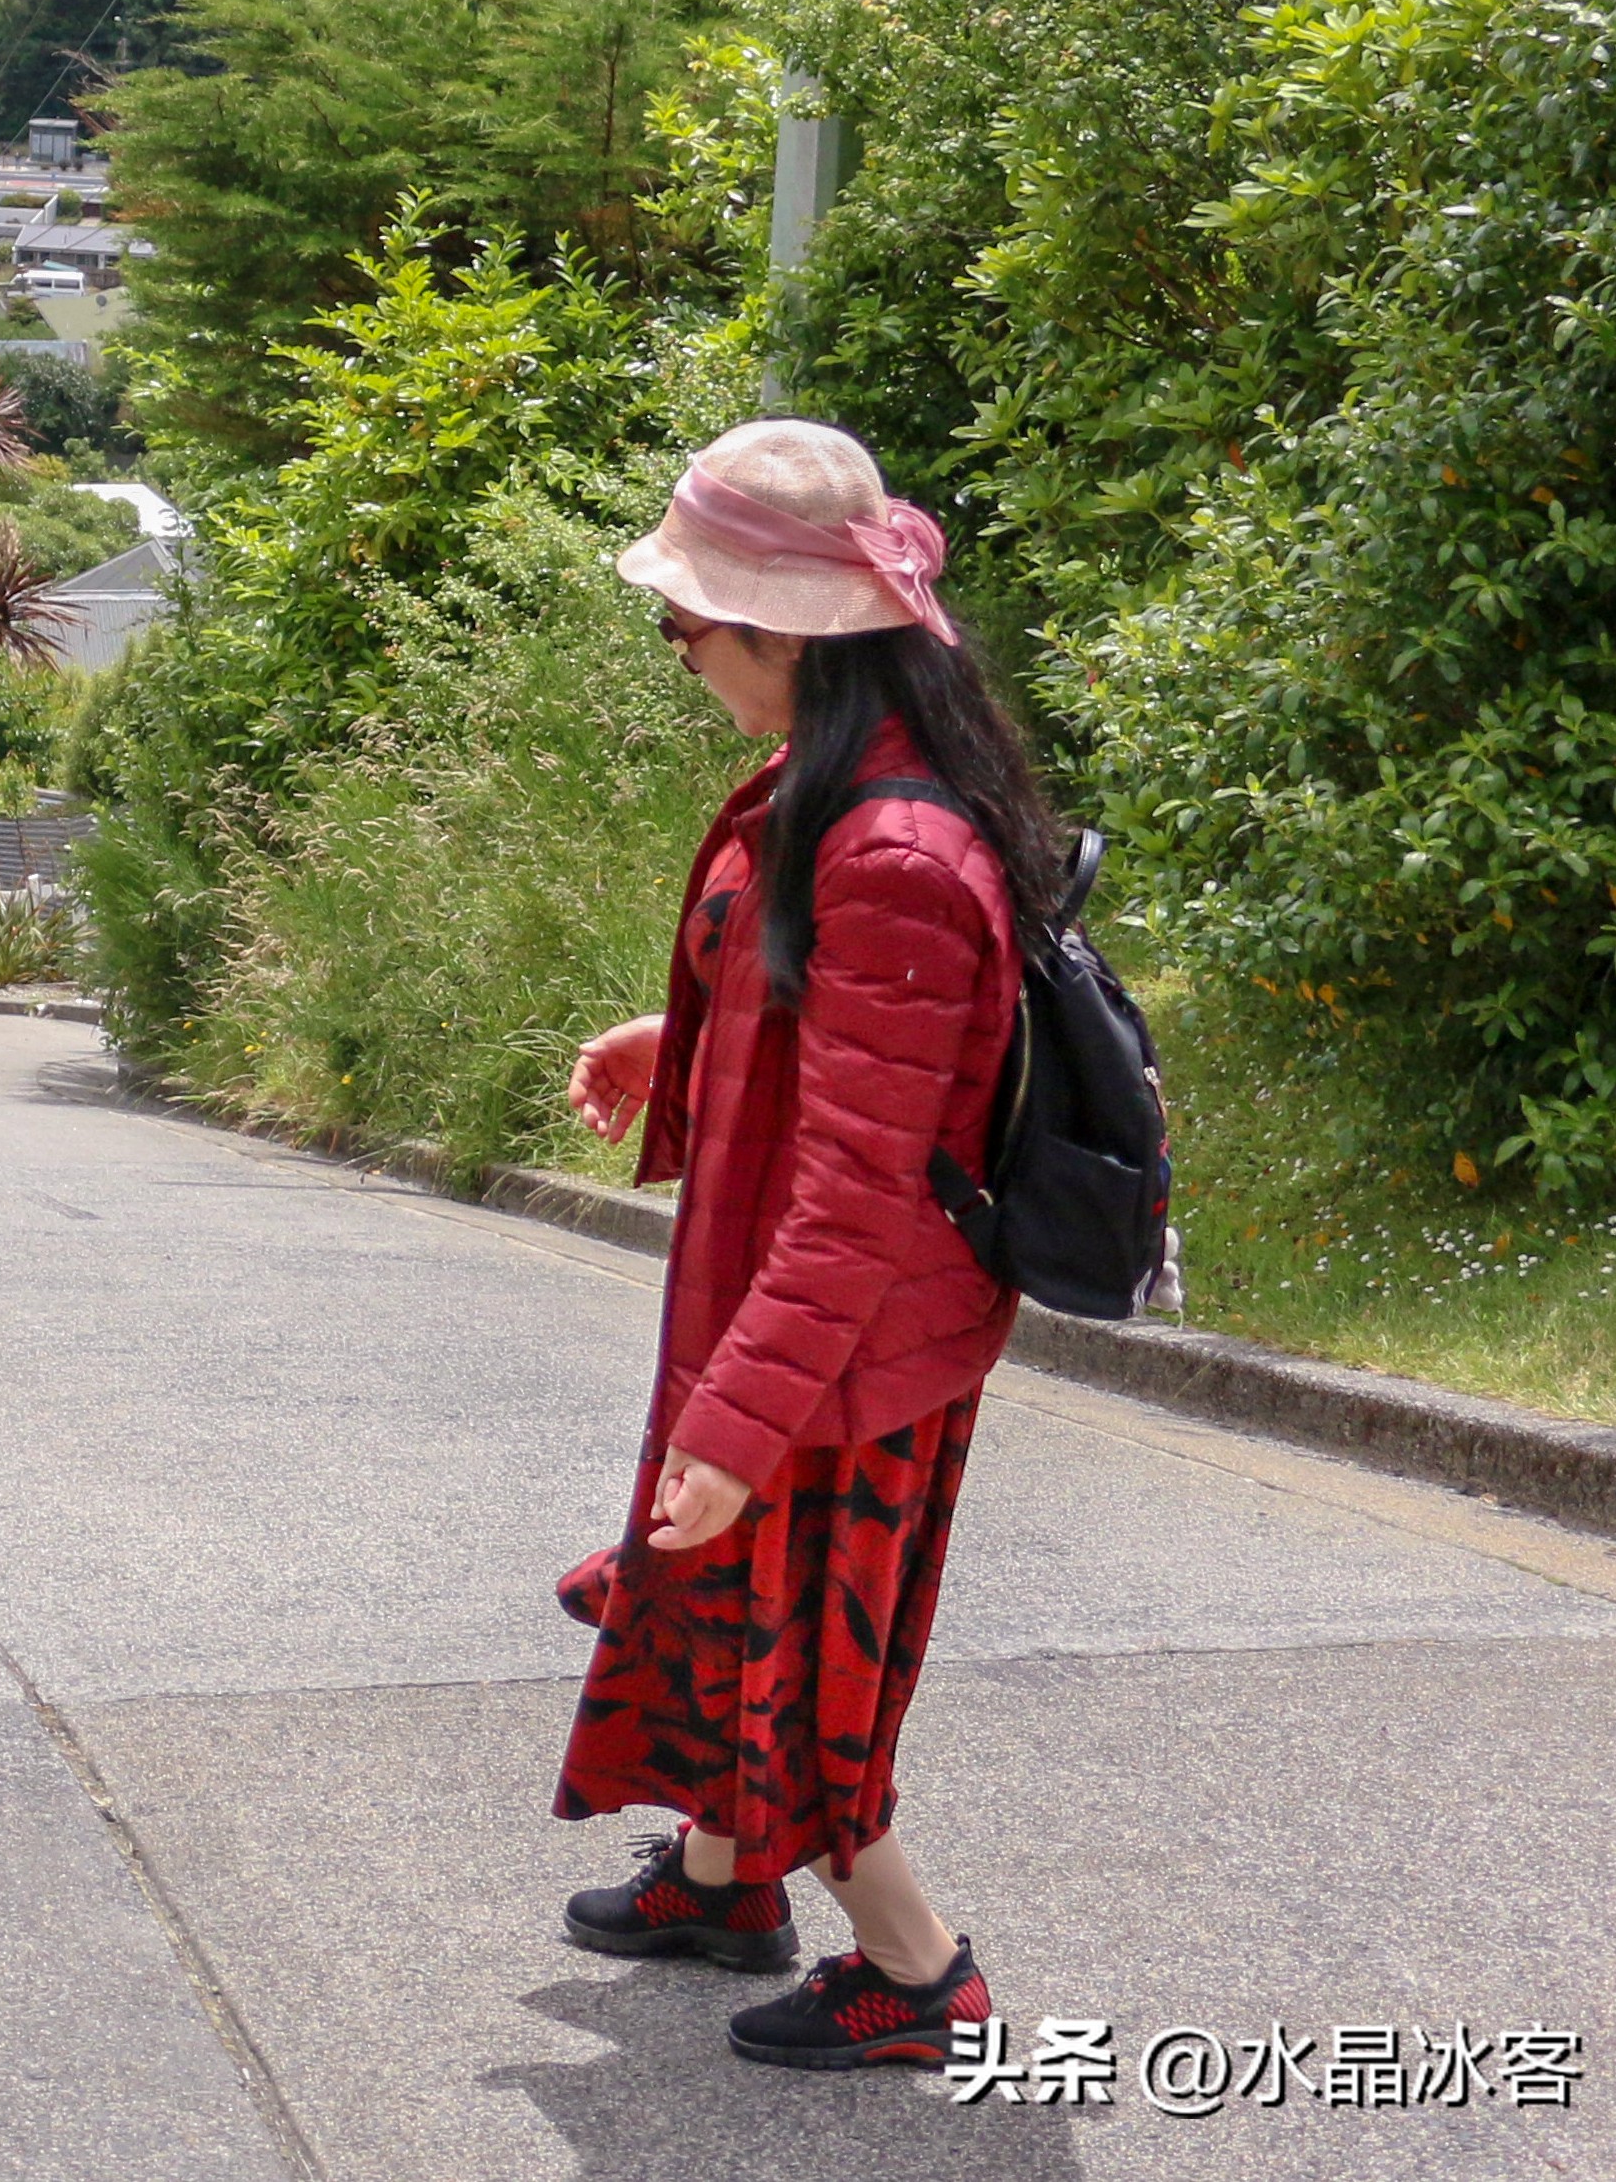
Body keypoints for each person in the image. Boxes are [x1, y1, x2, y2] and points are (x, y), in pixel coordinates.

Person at [551, 419, 1061, 2071]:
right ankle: (719, 1884)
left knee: (802, 1657)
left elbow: (859, 1188)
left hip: (853, 1341)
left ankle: (917, 1973)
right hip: (808, 1308)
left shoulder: (891, 849)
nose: (679, 653)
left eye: (683, 625)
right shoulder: (844, 781)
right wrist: (683, 1041)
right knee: (724, 1601)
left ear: (782, 631)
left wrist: (737, 1424)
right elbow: (832, 1034)